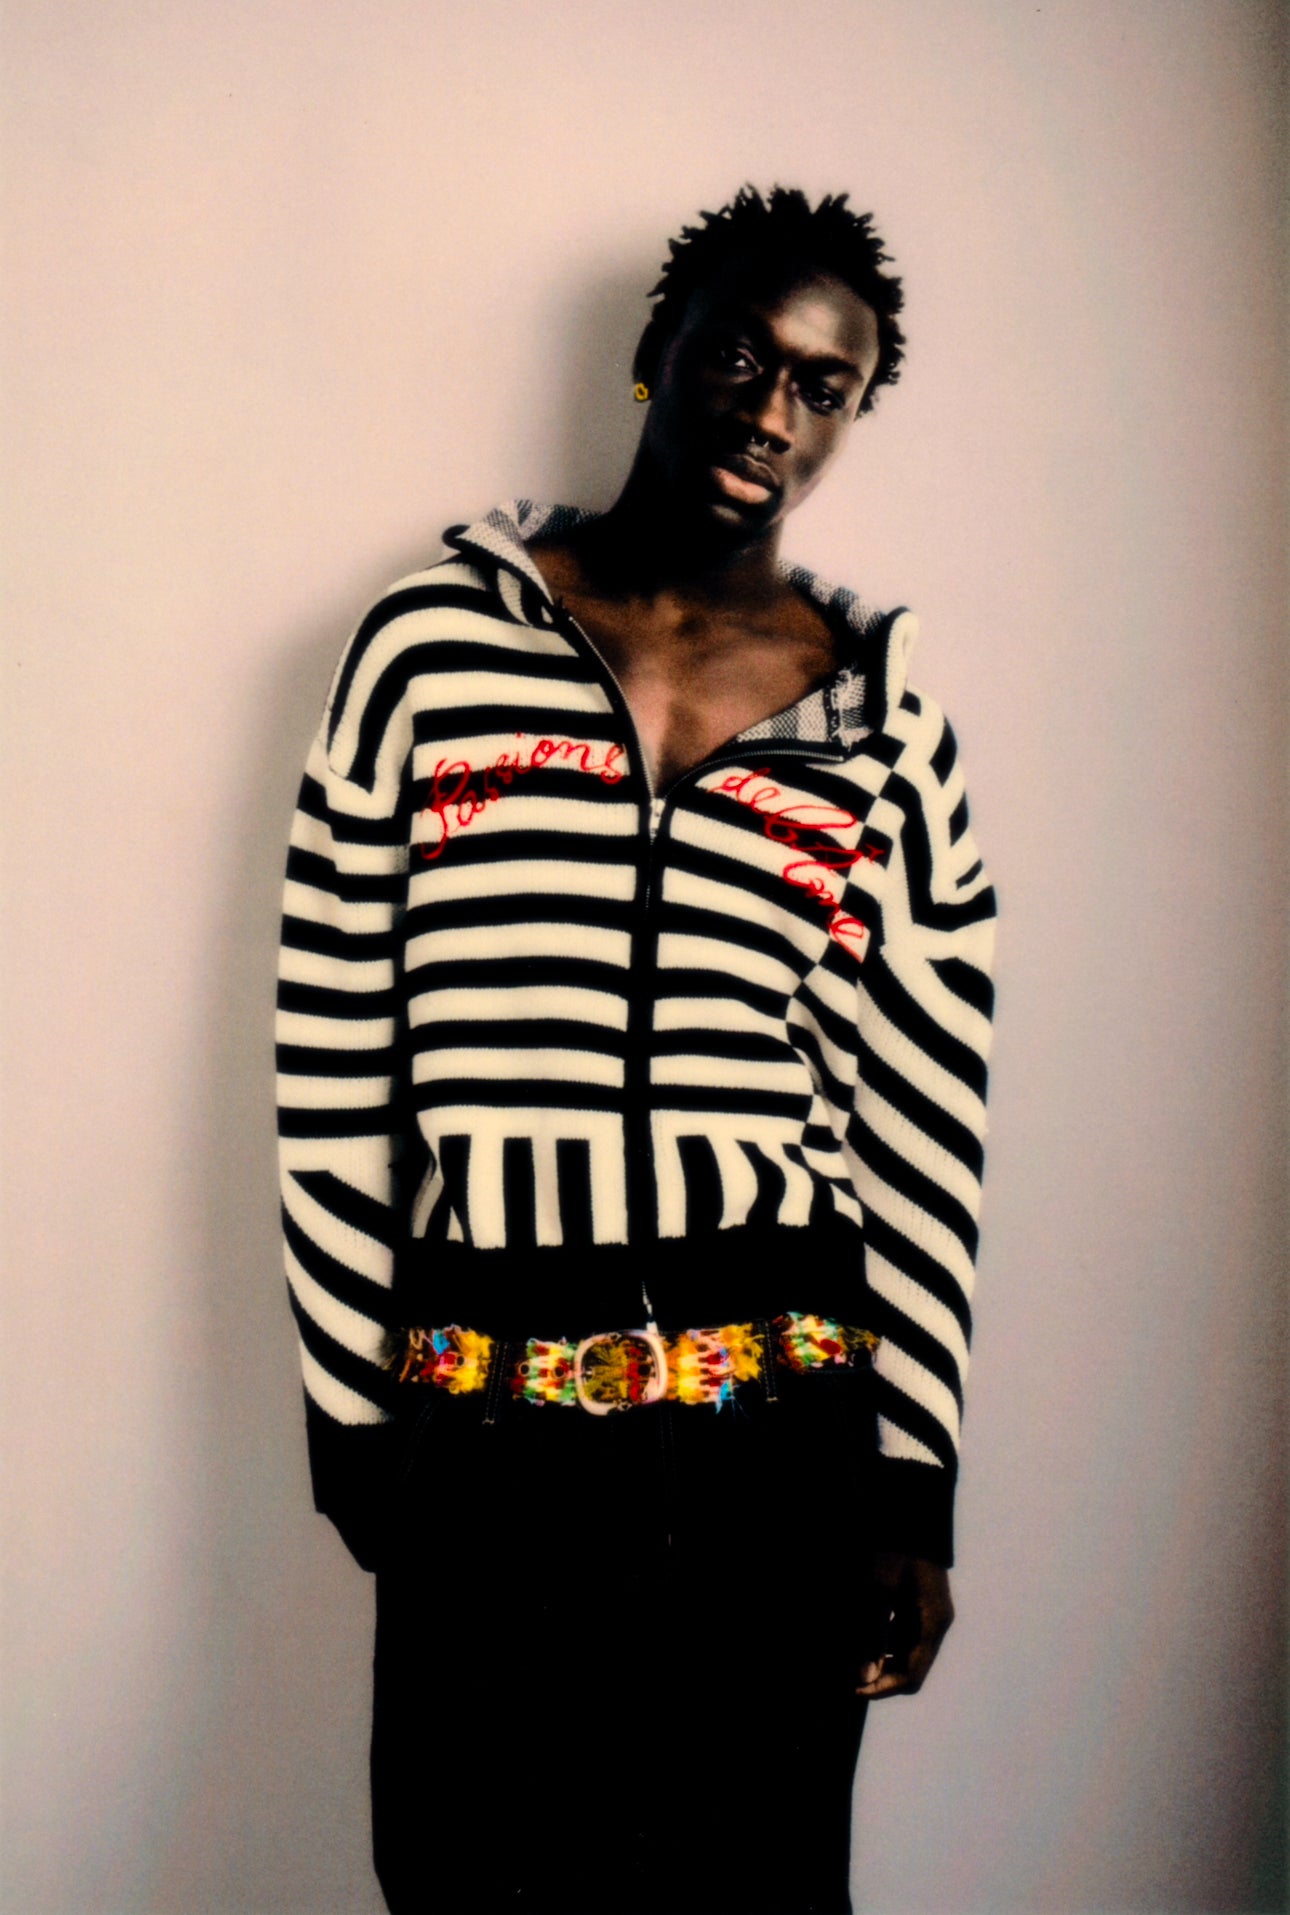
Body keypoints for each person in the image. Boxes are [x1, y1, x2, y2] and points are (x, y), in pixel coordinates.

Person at [275, 184, 997, 1915]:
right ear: (655, 354)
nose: (771, 411)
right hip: (491, 1416)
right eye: (739, 355)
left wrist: (911, 1483)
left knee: (750, 1890)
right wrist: (353, 1420)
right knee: (469, 1876)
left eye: (823, 386)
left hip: (780, 1433)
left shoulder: (882, 727)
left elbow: (922, 1110)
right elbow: (331, 1035)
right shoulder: (428, 650)